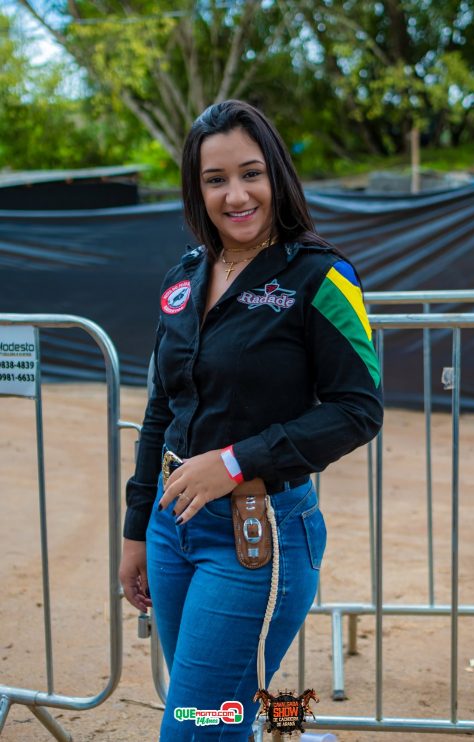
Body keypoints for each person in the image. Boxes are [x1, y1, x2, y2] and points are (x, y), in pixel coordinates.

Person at [119, 99, 383, 740]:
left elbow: (359, 409)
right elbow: (162, 407)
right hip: (170, 529)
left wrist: (235, 462)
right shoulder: (184, 276)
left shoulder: (323, 275)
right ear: (197, 188)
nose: (236, 194)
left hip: (257, 538)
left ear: (277, 177)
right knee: (221, 721)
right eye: (216, 180)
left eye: (251, 173)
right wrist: (135, 527)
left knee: (193, 730)